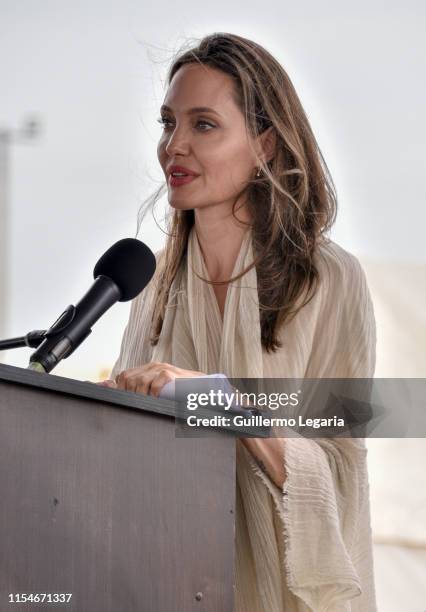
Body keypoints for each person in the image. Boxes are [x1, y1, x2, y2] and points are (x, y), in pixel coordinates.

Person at [100, 33, 378, 611]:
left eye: (203, 124)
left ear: (266, 143)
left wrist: (216, 400)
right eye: (167, 123)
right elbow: (124, 467)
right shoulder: (153, 285)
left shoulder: (329, 279)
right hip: (175, 587)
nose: (173, 146)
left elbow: (340, 466)